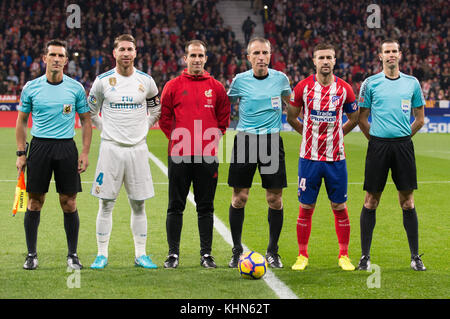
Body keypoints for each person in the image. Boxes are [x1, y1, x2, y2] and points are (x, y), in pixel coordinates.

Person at [16, 39, 92, 270]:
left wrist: (85, 152)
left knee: (68, 202)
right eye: (53, 55)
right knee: (34, 202)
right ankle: (31, 254)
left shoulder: (76, 88)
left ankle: (73, 254)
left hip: (66, 148)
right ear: (45, 58)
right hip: (39, 147)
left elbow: (87, 121)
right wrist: (21, 153)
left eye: (61, 56)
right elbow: (21, 122)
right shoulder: (31, 87)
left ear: (66, 61)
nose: (56, 59)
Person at [88, 34, 161, 269]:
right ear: (115, 53)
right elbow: (90, 112)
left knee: (139, 204)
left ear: (136, 53)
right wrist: (105, 129)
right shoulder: (102, 81)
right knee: (106, 203)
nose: (126, 53)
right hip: (111, 149)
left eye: (130, 49)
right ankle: (101, 254)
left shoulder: (147, 81)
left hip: (138, 150)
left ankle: (141, 254)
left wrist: (144, 127)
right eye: (122, 49)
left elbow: (156, 109)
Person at [287, 43, 359, 271]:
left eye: (329, 57)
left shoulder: (345, 88)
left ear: (335, 61)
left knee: (339, 205)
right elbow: (291, 117)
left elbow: (354, 118)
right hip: (309, 158)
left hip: (336, 158)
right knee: (306, 206)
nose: (325, 61)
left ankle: (344, 255)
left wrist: (337, 135)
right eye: (321, 57)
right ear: (314, 61)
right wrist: (307, 134)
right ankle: (302, 255)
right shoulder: (303, 87)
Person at [159, 40, 230, 269]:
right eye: (193, 55)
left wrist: (209, 140)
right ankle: (173, 254)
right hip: (179, 154)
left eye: (201, 55)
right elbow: (165, 118)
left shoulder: (216, 87)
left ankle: (206, 254)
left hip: (207, 156)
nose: (197, 59)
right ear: (185, 59)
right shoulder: (173, 85)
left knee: (205, 206)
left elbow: (223, 118)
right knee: (175, 205)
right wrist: (180, 139)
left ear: (206, 58)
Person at [357, 39, 426, 271]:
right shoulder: (370, 83)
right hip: (378, 146)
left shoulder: (412, 83)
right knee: (371, 201)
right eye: (387, 52)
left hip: (403, 147)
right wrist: (375, 140)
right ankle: (365, 257)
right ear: (380, 56)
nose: (391, 55)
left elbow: (420, 118)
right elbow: (362, 118)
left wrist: (405, 137)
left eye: (394, 51)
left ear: (400, 54)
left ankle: (415, 256)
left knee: (407, 202)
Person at [227, 37, 291, 268]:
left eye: (265, 52)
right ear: (248, 57)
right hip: (245, 140)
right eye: (256, 53)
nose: (261, 57)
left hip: (272, 142)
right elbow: (226, 103)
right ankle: (236, 251)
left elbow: (291, 102)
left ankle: (273, 251)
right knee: (239, 198)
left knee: (274, 199)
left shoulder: (281, 79)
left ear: (270, 55)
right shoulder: (239, 81)